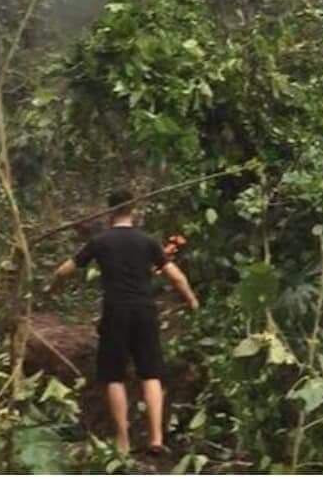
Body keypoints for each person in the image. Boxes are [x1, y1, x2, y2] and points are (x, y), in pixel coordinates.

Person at [48, 191, 200, 457]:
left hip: (115, 312)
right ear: (134, 210)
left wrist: (53, 288)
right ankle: (156, 438)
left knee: (113, 375)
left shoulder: (101, 241)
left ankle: (123, 440)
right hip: (144, 311)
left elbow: (64, 271)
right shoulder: (148, 242)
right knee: (151, 373)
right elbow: (175, 277)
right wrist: (191, 300)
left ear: (109, 212)